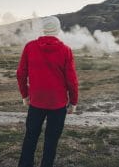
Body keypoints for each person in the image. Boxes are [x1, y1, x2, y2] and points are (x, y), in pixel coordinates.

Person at [16, 16, 79, 167]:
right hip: (58, 105)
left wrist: (25, 95)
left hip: (36, 102)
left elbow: (21, 74)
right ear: (58, 30)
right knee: (51, 141)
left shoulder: (30, 47)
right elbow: (72, 81)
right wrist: (73, 102)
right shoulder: (66, 50)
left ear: (43, 30)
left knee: (30, 137)